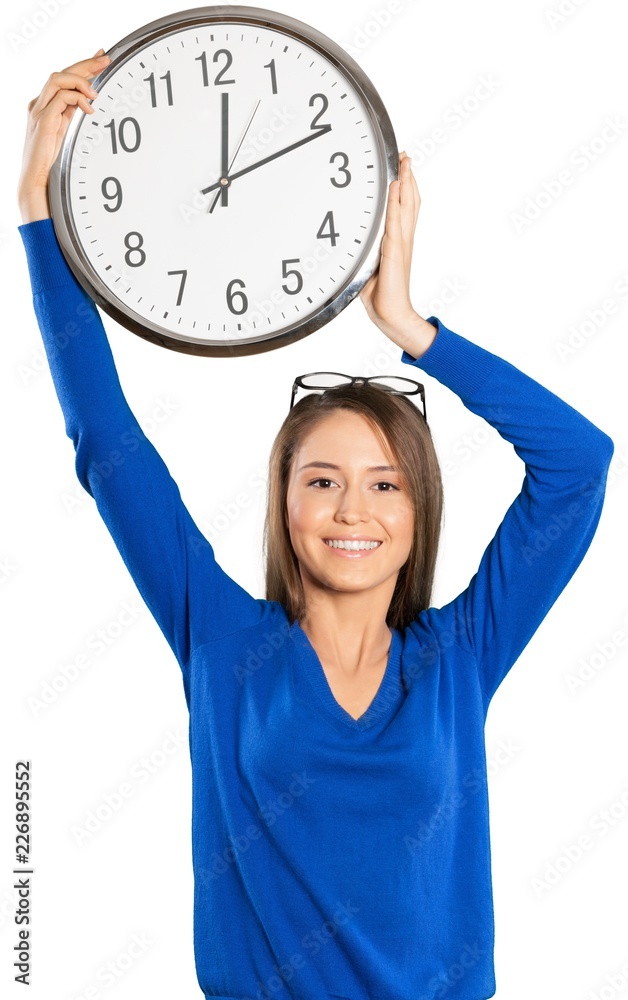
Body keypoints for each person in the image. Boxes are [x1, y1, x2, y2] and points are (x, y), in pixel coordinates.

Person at [17, 50, 614, 1000]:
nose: (352, 511)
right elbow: (106, 440)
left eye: (386, 486)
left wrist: (410, 325)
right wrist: (39, 216)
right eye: (323, 479)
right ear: (283, 501)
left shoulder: (460, 655)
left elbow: (580, 466)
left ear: (420, 510)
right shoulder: (221, 638)